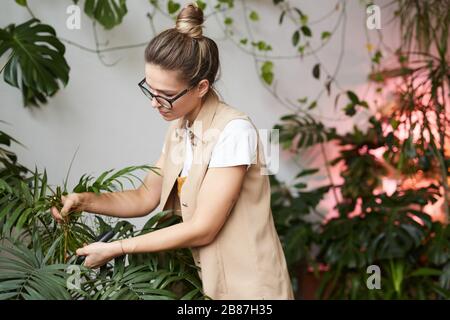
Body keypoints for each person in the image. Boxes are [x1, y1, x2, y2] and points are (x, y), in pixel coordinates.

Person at [51, 3, 294, 300]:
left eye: (166, 96)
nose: (155, 103)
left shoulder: (234, 131)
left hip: (252, 291)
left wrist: (117, 248)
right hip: (206, 285)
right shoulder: (182, 128)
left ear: (201, 87)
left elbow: (204, 227)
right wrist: (84, 201)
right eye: (150, 90)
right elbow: (145, 196)